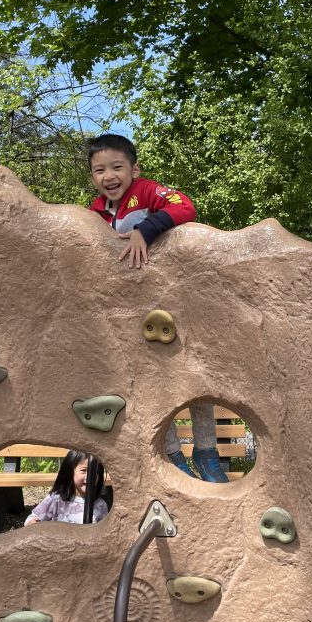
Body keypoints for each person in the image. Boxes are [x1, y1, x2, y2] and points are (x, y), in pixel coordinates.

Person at [86, 133, 228, 483]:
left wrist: (145, 230)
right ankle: (173, 454)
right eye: (100, 170)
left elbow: (184, 206)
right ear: (92, 177)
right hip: (131, 312)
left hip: (170, 303)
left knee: (195, 376)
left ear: (134, 169)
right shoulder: (95, 212)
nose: (109, 176)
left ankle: (207, 451)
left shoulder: (146, 192)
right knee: (151, 384)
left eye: (117, 167)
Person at [24, 450, 108, 524]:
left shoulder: (101, 505)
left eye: (95, 472)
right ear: (70, 472)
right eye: (83, 470)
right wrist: (32, 523)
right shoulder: (56, 499)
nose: (89, 477)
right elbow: (31, 518)